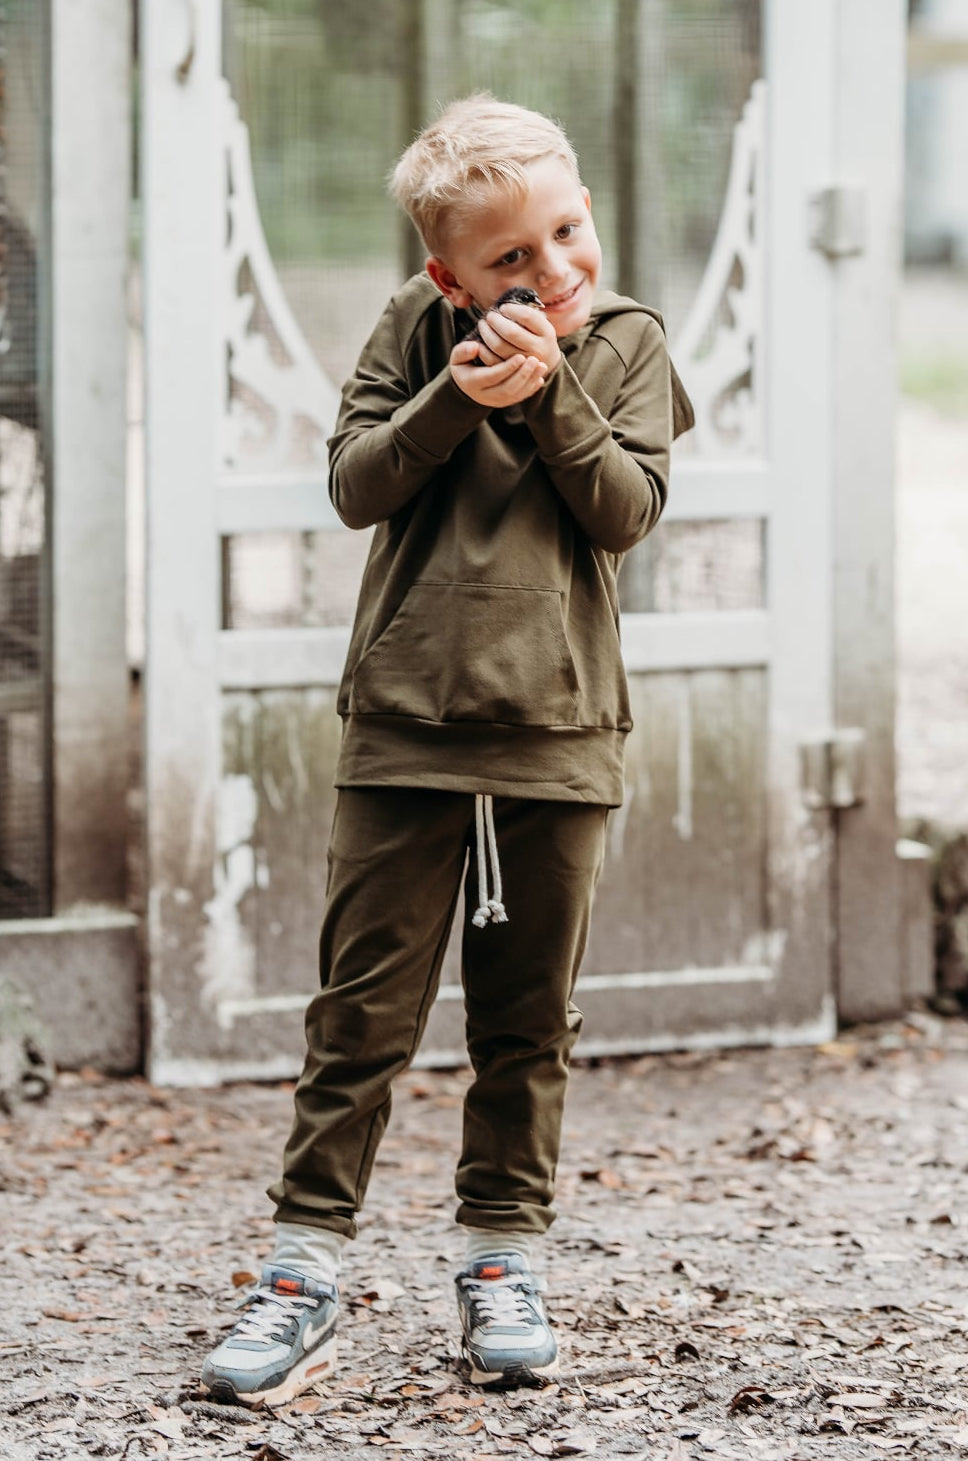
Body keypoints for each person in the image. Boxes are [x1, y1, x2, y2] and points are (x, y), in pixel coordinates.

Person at [201, 92, 692, 1409]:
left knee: (527, 1022)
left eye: (568, 231)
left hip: (559, 734)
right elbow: (356, 482)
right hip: (403, 727)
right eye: (512, 257)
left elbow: (626, 509)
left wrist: (550, 397)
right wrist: (453, 399)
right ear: (449, 275)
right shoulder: (411, 331)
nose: (553, 268)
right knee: (358, 1016)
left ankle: (500, 1260)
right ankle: (303, 1270)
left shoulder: (629, 342)